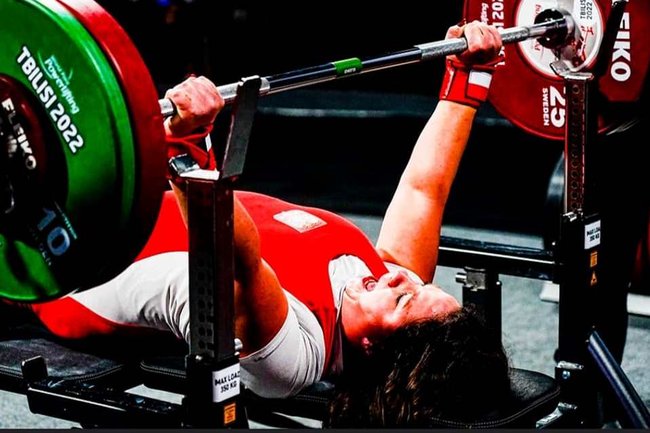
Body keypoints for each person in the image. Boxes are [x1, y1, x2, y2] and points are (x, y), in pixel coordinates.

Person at [16, 21, 511, 426]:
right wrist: (468, 80)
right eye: (423, 284)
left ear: (371, 348)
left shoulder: (295, 357)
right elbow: (425, 190)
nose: (403, 278)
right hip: (122, 204)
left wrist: (187, 147)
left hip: (69, 261)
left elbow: (234, 265)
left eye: (405, 299)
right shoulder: (390, 287)